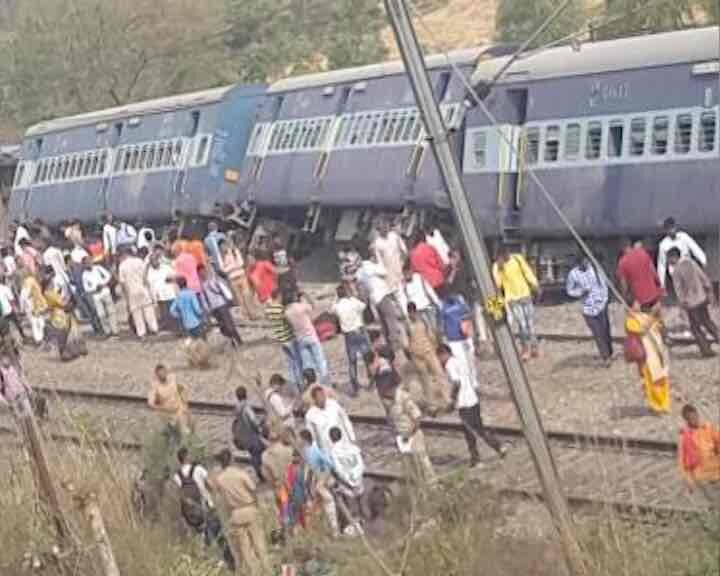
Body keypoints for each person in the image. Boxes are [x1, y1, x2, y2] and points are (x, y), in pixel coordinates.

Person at [438, 344, 506, 468]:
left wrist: (453, 400)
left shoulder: (449, 365)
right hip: (473, 400)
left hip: (464, 403)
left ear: (443, 354)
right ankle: (498, 447)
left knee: (469, 432)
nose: (439, 361)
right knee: (479, 428)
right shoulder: (459, 361)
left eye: (439, 357)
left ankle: (477, 459)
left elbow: (456, 382)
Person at [209, 448, 271, 576]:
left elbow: (212, 488)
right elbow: (253, 490)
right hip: (249, 509)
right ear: (231, 459)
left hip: (235, 514)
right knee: (259, 544)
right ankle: (267, 570)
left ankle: (253, 573)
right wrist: (257, 505)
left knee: (245, 549)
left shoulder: (220, 479)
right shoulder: (240, 473)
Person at [667, 248, 718, 357]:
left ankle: (706, 350)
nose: (668, 261)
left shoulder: (676, 271)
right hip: (701, 297)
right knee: (708, 322)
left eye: (669, 258)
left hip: (691, 303)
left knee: (695, 328)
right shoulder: (691, 263)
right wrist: (709, 291)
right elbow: (703, 278)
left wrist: (681, 306)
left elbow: (678, 290)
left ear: (673, 257)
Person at [493, 247, 540, 360]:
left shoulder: (517, 259)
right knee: (522, 324)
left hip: (525, 295)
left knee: (530, 324)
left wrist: (535, 284)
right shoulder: (496, 266)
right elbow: (497, 284)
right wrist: (500, 268)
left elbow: (527, 272)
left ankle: (534, 347)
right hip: (512, 299)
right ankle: (525, 349)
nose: (507, 256)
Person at [566, 255, 613, 364]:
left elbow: (604, 283)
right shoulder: (573, 274)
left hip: (601, 304)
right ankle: (605, 357)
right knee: (597, 333)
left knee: (605, 329)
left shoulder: (595, 269)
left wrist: (605, 299)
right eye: (584, 261)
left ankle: (609, 352)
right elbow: (569, 290)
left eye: (587, 261)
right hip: (588, 308)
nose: (586, 263)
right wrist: (580, 292)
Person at [356, 250, 404, 353]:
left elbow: (360, 282)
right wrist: (379, 261)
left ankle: (388, 341)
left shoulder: (361, 271)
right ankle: (395, 342)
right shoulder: (371, 267)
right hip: (382, 295)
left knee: (383, 320)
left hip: (374, 298)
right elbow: (384, 271)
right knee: (391, 318)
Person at [624, 310, 671, 415]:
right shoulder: (631, 320)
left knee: (662, 379)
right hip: (646, 356)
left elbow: (660, 327)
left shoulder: (649, 316)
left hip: (658, 353)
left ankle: (665, 404)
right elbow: (640, 330)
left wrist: (655, 316)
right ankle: (656, 406)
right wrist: (651, 318)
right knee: (650, 382)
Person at [406, 302, 449, 415]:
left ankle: (447, 399)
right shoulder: (407, 325)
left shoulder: (423, 321)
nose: (412, 314)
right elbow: (405, 342)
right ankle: (432, 405)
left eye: (414, 312)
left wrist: (435, 347)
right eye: (410, 312)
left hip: (429, 352)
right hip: (417, 356)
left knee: (439, 374)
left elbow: (431, 334)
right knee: (425, 380)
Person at [388, 385, 436, 483]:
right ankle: (419, 486)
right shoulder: (390, 401)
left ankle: (433, 486)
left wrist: (410, 434)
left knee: (422, 461)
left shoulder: (404, 397)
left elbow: (417, 417)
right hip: (402, 436)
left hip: (412, 435)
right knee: (410, 463)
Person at [299, 429, 340, 537]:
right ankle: (323, 530)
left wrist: (323, 478)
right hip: (312, 482)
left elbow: (330, 464)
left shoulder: (314, 450)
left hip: (315, 482)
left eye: (300, 439)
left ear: (304, 440)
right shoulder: (307, 450)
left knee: (325, 504)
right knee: (318, 507)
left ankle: (332, 530)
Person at [332, 285, 370, 397]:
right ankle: (372, 381)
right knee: (367, 358)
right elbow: (364, 306)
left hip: (348, 335)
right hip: (359, 330)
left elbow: (331, 309)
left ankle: (355, 387)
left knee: (352, 362)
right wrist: (353, 295)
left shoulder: (337, 306)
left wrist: (336, 298)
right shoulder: (353, 302)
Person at [678, 404, 720, 506]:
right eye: (691, 419)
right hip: (701, 476)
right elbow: (682, 461)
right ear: (686, 420)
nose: (694, 420)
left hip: (716, 471)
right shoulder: (685, 437)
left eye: (695, 417)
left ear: (698, 415)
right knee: (711, 503)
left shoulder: (708, 428)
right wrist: (688, 480)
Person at [285, 291, 330, 385]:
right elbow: (313, 306)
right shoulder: (301, 306)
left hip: (300, 338)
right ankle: (325, 381)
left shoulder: (287, 312)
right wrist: (306, 296)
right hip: (311, 336)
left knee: (307, 363)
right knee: (320, 360)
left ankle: (309, 382)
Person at [327, 426, 366, 532]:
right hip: (359, 481)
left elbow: (338, 470)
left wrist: (348, 481)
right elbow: (361, 463)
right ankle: (364, 523)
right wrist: (356, 477)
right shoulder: (353, 447)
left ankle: (356, 527)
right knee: (361, 503)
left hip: (346, 485)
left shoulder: (333, 452)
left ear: (330, 438)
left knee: (351, 505)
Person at [173, 446, 216, 537]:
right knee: (216, 534)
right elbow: (211, 485)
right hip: (206, 506)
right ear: (187, 457)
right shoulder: (199, 469)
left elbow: (179, 494)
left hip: (190, 512)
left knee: (198, 536)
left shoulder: (177, 476)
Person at [266, 289, 302, 394]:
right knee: (297, 362)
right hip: (289, 338)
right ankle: (300, 384)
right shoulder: (281, 309)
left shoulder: (269, 310)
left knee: (290, 364)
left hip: (280, 339)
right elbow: (289, 321)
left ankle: (294, 384)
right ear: (278, 296)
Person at [198, 265, 243, 349]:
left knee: (229, 324)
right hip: (214, 308)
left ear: (205, 271)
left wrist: (229, 299)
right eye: (200, 273)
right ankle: (232, 341)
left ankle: (238, 341)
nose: (202, 274)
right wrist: (207, 309)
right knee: (223, 327)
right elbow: (204, 299)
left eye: (203, 271)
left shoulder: (214, 280)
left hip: (222, 305)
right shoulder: (202, 286)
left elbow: (223, 289)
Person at [118, 249, 158, 339]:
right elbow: (145, 276)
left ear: (123, 255)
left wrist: (126, 296)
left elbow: (122, 283)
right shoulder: (139, 261)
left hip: (131, 291)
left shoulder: (122, 265)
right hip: (142, 288)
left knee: (137, 313)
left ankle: (141, 333)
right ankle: (154, 329)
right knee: (148, 310)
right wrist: (149, 288)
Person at [616, 238, 664, 315]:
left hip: (640, 298)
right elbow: (653, 271)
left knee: (645, 321)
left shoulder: (622, 263)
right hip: (653, 294)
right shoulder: (642, 253)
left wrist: (624, 298)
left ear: (621, 248)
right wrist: (658, 286)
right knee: (657, 320)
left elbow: (624, 285)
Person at [657, 217, 707, 290]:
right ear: (666, 230)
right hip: (675, 273)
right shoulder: (663, 245)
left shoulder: (684, 236)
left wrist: (703, 260)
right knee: (683, 294)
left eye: (673, 227)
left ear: (675, 227)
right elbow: (662, 264)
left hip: (688, 268)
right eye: (669, 229)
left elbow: (694, 247)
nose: (671, 230)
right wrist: (662, 284)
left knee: (695, 290)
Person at [304, 386, 356, 456]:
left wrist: (352, 437)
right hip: (328, 449)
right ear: (314, 399)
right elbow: (312, 435)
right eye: (319, 397)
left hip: (344, 442)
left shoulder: (334, 404)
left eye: (323, 395)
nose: (323, 398)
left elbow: (345, 420)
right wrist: (318, 452)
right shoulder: (310, 415)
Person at [232, 386, 266, 481]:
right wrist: (262, 422)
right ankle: (261, 475)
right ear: (246, 395)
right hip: (251, 435)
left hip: (244, 437)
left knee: (254, 454)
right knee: (259, 453)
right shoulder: (246, 407)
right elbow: (254, 421)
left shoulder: (237, 407)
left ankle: (259, 473)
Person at [148, 364, 190, 437]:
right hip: (167, 413)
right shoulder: (155, 387)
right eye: (160, 373)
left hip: (179, 410)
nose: (162, 374)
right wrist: (161, 408)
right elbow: (151, 403)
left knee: (184, 430)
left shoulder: (172, 380)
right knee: (177, 432)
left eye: (164, 372)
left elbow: (182, 388)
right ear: (157, 375)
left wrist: (185, 403)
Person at [220, 239, 257, 320]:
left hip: (241, 276)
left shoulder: (234, 251)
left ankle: (253, 314)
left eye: (224, 245)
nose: (223, 247)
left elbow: (241, 263)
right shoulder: (221, 256)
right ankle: (246, 315)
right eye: (221, 246)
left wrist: (229, 267)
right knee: (239, 298)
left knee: (247, 295)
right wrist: (233, 266)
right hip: (232, 279)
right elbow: (222, 269)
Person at [81, 257, 118, 337]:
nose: (89, 264)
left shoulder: (98, 268)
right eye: (86, 263)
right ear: (84, 265)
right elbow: (86, 288)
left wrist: (103, 284)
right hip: (96, 295)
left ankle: (115, 330)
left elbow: (108, 276)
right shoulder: (84, 275)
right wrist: (95, 288)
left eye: (89, 261)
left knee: (111, 312)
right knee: (101, 315)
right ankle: (107, 331)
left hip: (105, 292)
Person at [402, 262, 440, 332]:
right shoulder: (403, 285)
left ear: (411, 271)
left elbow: (428, 289)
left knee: (435, 326)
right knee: (427, 329)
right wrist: (407, 313)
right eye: (405, 274)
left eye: (408, 273)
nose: (407, 275)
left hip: (427, 306)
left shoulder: (419, 277)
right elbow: (404, 299)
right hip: (418, 310)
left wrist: (437, 302)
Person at [146, 251, 178, 332]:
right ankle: (168, 326)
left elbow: (174, 275)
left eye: (155, 260)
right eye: (152, 261)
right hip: (159, 295)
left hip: (169, 293)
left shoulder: (165, 267)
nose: (154, 263)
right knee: (164, 312)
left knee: (173, 311)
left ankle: (175, 326)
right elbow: (150, 284)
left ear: (158, 260)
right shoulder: (150, 271)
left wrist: (170, 278)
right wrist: (153, 298)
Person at [373, 218, 407, 292]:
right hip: (390, 275)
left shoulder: (394, 236)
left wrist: (404, 265)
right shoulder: (377, 243)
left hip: (401, 268)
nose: (385, 228)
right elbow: (380, 262)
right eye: (382, 227)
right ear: (378, 229)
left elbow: (404, 251)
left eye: (386, 226)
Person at [21, 270, 47, 345]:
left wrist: (22, 309)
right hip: (33, 306)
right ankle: (40, 338)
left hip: (33, 306)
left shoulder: (26, 285)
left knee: (36, 322)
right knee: (37, 321)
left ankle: (40, 338)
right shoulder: (31, 283)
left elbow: (22, 298)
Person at [0, 274, 25, 340]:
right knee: (17, 323)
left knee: (5, 332)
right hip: (9, 310)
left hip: (2, 315)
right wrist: (15, 309)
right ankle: (22, 335)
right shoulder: (5, 288)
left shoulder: (5, 288)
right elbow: (11, 300)